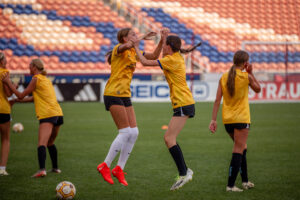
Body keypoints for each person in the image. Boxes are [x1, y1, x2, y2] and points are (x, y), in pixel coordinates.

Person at [97, 28, 166, 186]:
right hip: (113, 93)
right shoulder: (118, 49)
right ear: (124, 38)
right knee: (125, 131)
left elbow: (154, 57)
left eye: (136, 34)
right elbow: (126, 46)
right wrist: (142, 36)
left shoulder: (134, 51)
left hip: (124, 94)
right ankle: (105, 165)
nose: (136, 36)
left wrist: (161, 40)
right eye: (133, 35)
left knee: (134, 132)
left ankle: (119, 169)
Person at [133, 33, 201, 190]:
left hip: (183, 103)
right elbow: (163, 54)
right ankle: (184, 171)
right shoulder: (174, 57)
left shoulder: (171, 60)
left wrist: (136, 46)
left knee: (169, 138)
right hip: (183, 103)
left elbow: (144, 62)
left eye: (164, 45)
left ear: (169, 47)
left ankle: (184, 173)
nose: (162, 47)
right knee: (169, 138)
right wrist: (163, 38)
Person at [209, 50, 261, 192]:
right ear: (245, 63)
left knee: (242, 148)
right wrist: (251, 73)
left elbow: (217, 100)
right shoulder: (246, 77)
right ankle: (230, 186)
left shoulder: (224, 77)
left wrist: (213, 120)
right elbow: (258, 89)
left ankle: (245, 181)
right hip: (242, 119)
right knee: (238, 149)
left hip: (228, 120)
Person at [3, 58, 63, 178]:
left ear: (34, 67)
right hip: (58, 114)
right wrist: (15, 101)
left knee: (42, 143)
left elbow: (21, 95)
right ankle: (55, 168)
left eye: (29, 66)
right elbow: (34, 98)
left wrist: (8, 82)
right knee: (50, 142)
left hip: (47, 114)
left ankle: (42, 170)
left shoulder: (36, 79)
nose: (28, 68)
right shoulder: (45, 79)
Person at [0, 52, 15, 176]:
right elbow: (9, 93)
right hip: (3, 109)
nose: (6, 61)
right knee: (5, 139)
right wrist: (13, 86)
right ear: (1, 61)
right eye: (5, 59)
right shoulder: (4, 73)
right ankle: (2, 168)